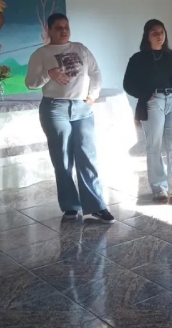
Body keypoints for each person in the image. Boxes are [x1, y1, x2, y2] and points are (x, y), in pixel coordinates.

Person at [25, 13, 114, 222]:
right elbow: (30, 83)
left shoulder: (80, 48)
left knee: (87, 156)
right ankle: (70, 206)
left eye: (66, 27)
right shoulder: (41, 53)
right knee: (62, 158)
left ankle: (96, 205)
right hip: (55, 109)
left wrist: (92, 96)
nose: (64, 30)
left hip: (82, 108)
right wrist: (49, 74)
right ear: (49, 30)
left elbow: (95, 72)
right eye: (58, 27)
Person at [123, 19, 172, 204]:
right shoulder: (138, 58)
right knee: (154, 146)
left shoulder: (170, 55)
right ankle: (159, 188)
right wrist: (146, 95)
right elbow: (128, 84)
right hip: (153, 103)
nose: (159, 36)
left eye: (161, 32)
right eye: (154, 33)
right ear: (147, 36)